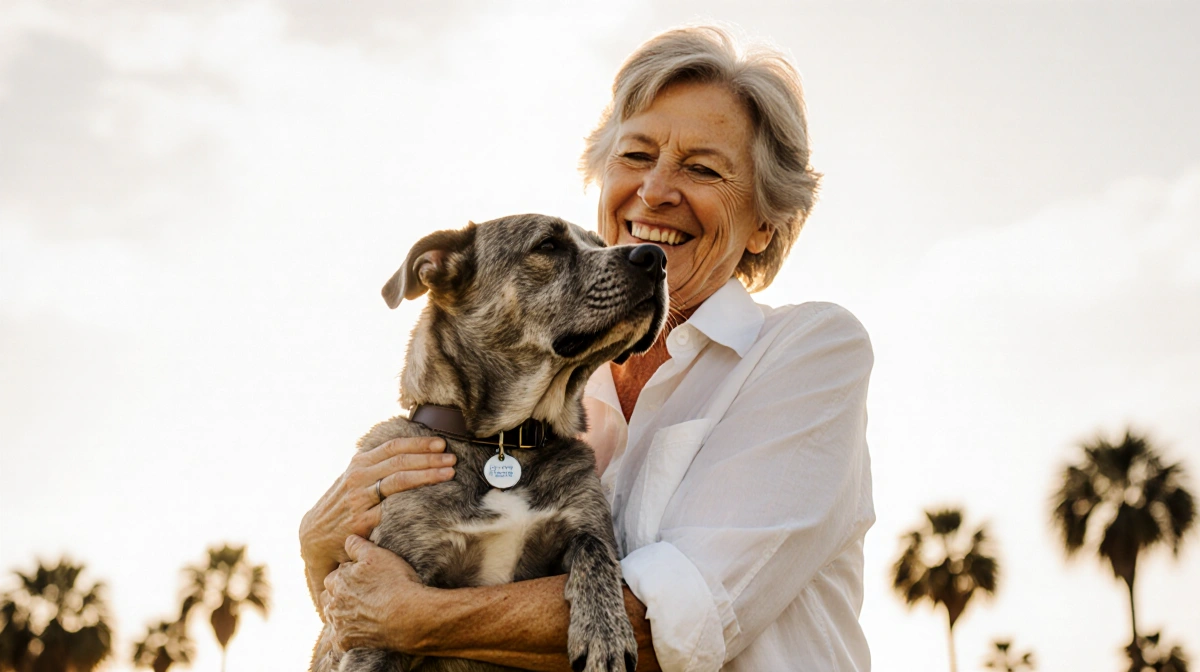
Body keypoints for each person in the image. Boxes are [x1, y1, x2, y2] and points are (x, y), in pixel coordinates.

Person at [302, 25, 875, 671]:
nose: (656, 191)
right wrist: (316, 546)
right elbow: (356, 622)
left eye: (703, 168)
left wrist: (414, 617)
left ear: (766, 221)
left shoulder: (807, 351)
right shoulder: (560, 395)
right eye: (635, 157)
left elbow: (677, 624)